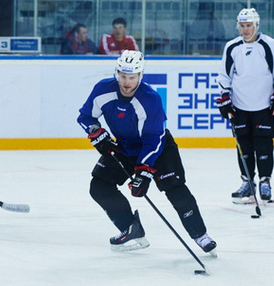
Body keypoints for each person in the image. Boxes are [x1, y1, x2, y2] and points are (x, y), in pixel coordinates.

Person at [77, 50, 217, 254]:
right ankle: (130, 228)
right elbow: (85, 117)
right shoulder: (102, 90)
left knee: (175, 188)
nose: (126, 82)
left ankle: (201, 235)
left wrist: (144, 173)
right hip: (125, 147)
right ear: (117, 73)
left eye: (132, 77)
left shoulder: (150, 99)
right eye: (123, 76)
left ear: (140, 76)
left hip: (158, 148)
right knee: (99, 186)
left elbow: (153, 139)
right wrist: (97, 133)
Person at [216, 8, 273, 204]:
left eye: (249, 25)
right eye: (242, 26)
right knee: (244, 147)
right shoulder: (232, 47)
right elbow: (224, 75)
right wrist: (224, 98)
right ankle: (247, 182)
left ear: (256, 25)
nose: (246, 29)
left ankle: (265, 181)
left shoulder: (269, 45)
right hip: (240, 106)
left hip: (264, 106)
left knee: (264, 144)